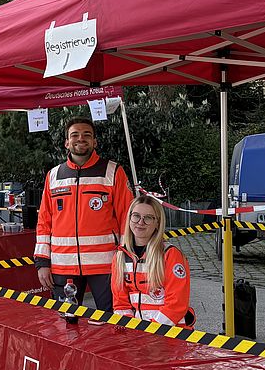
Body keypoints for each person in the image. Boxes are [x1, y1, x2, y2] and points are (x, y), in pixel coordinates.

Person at [34, 117, 133, 323]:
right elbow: (44, 222)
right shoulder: (53, 176)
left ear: (95, 141)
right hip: (63, 266)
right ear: (66, 143)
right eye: (75, 135)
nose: (81, 139)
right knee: (67, 325)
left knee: (112, 323)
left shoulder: (113, 171)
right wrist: (42, 262)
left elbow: (127, 217)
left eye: (87, 135)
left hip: (106, 266)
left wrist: (127, 258)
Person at [111, 195, 193, 328]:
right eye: (136, 216)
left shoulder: (170, 255)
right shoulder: (120, 257)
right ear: (129, 218)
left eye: (148, 218)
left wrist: (151, 332)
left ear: (157, 223)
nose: (140, 222)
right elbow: (121, 304)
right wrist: (128, 330)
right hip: (139, 334)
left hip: (171, 333)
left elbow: (176, 304)